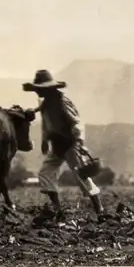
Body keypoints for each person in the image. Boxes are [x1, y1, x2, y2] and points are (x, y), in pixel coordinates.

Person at [22, 69, 109, 221]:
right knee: (45, 173)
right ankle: (57, 209)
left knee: (81, 176)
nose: (37, 92)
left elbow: (77, 122)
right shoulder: (46, 103)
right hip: (56, 145)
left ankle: (99, 209)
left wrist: (79, 141)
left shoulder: (62, 101)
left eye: (39, 89)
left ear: (48, 89)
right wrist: (44, 140)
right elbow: (46, 123)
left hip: (70, 144)